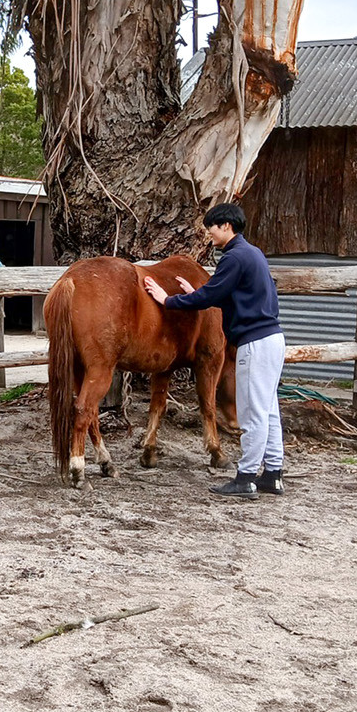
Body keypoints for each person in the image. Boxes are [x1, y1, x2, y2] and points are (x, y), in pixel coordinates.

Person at [142, 203, 286, 499]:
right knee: (270, 411)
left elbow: (211, 296)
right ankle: (272, 474)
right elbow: (225, 294)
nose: (209, 235)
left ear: (225, 226)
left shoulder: (233, 257)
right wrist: (194, 292)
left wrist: (166, 299)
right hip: (273, 338)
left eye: (211, 229)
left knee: (253, 414)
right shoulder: (253, 254)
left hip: (254, 343)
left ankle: (245, 478)